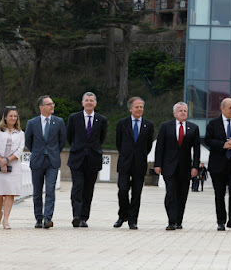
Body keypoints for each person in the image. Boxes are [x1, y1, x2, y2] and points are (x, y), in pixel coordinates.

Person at [204, 98, 231, 231]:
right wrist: (223, 145)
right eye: (230, 108)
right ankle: (221, 221)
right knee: (219, 194)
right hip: (218, 165)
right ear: (222, 108)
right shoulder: (213, 123)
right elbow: (208, 140)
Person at [154, 102, 200, 230]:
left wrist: (195, 166)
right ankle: (171, 220)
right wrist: (157, 164)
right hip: (169, 166)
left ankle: (179, 220)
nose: (183, 113)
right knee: (170, 193)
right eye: (180, 110)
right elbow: (160, 146)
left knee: (182, 194)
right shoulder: (165, 126)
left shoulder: (193, 128)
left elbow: (196, 149)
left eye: (185, 110)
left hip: (185, 168)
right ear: (174, 113)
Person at [25, 95, 67, 229]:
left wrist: (53, 152)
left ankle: (48, 218)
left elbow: (62, 141)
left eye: (52, 103)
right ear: (41, 107)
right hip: (37, 161)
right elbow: (28, 142)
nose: (52, 106)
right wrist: (38, 151)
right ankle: (38, 218)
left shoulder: (59, 122)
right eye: (49, 104)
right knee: (37, 192)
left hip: (52, 162)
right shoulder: (32, 123)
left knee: (50, 190)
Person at [67, 92, 107, 228]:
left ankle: (84, 217)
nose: (89, 103)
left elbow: (101, 138)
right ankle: (76, 216)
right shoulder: (74, 118)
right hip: (77, 159)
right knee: (77, 187)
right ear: (82, 103)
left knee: (88, 189)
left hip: (93, 159)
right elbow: (70, 137)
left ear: (95, 103)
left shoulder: (101, 120)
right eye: (87, 100)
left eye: (91, 100)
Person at [114, 97, 154, 229]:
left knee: (137, 193)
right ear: (131, 108)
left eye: (141, 107)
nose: (139, 109)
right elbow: (118, 143)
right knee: (122, 190)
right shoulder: (122, 123)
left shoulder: (148, 125)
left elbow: (148, 146)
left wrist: (139, 156)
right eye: (137, 107)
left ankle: (133, 220)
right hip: (125, 163)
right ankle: (122, 215)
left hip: (139, 164)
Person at [0, 107, 25, 229]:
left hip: (13, 165)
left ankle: (6, 219)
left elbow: (20, 150)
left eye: (15, 116)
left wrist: (7, 160)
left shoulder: (21, 133)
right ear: (5, 117)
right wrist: (1, 160)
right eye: (11, 116)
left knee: (10, 193)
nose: (13, 118)